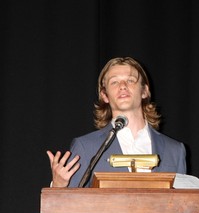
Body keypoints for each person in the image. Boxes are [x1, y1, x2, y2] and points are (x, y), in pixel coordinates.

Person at [47, 57, 187, 187]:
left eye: (131, 80)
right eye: (114, 82)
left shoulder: (174, 151)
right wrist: (58, 186)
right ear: (105, 96)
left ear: (144, 91)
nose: (123, 86)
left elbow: (185, 207)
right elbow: (68, 207)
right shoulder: (86, 147)